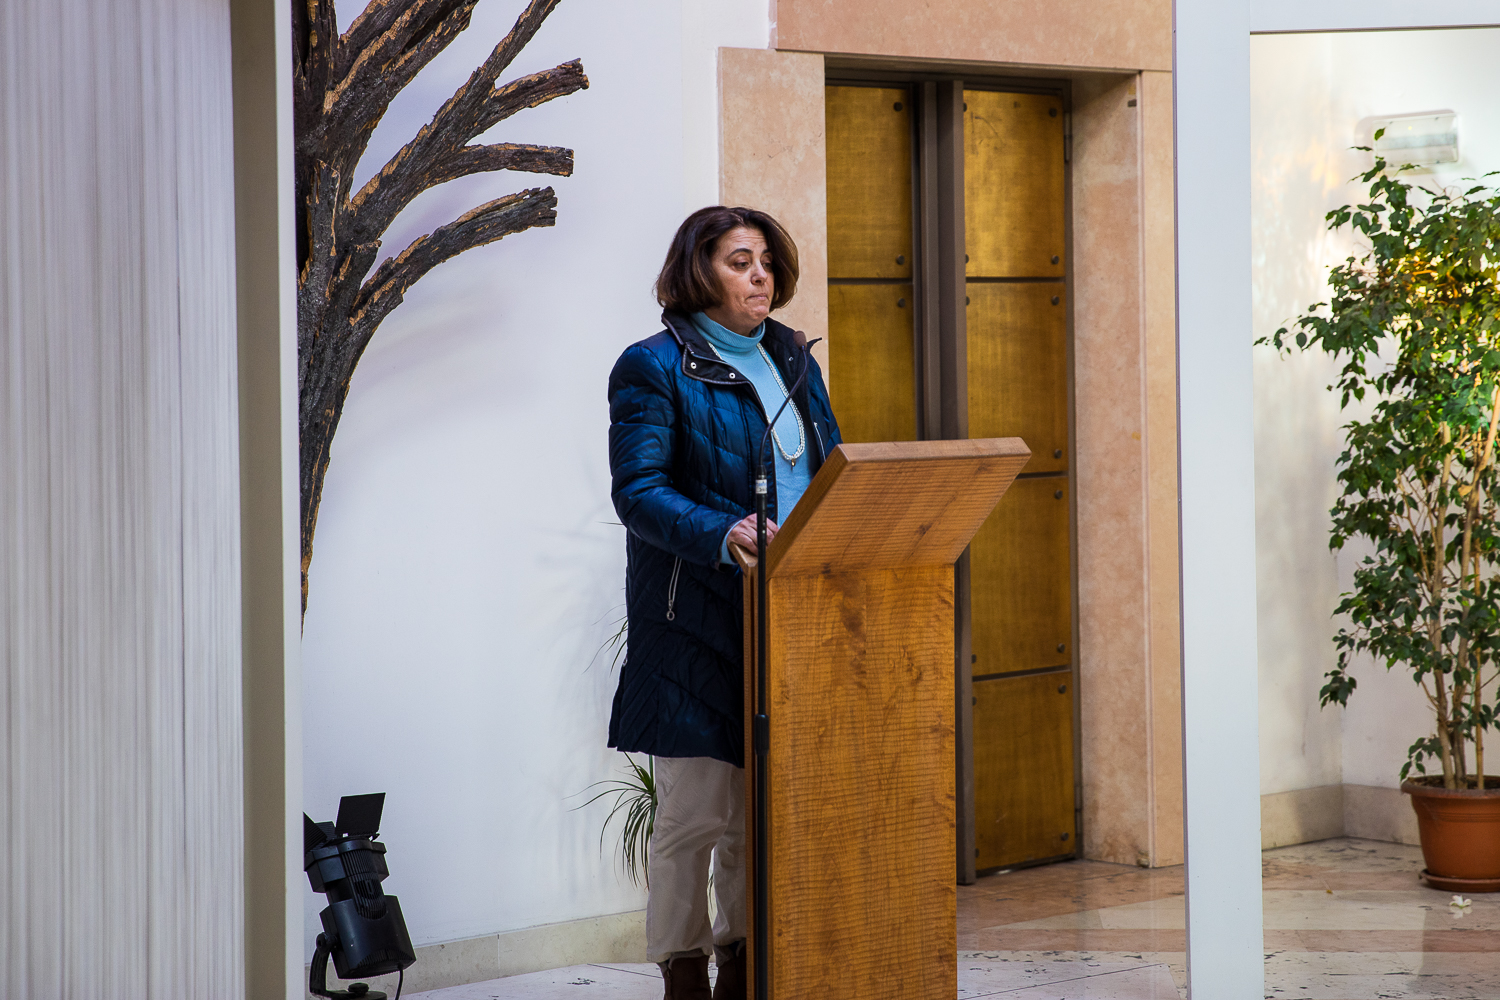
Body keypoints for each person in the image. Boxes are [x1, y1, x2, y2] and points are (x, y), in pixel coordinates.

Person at [606, 206, 842, 1000]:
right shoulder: (654, 366)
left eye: (766, 262)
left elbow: (829, 467)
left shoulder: (792, 357)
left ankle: (744, 960)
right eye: (741, 262)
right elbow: (639, 491)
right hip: (695, 623)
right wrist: (721, 531)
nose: (760, 276)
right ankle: (682, 968)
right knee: (695, 815)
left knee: (756, 814)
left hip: (790, 613)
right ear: (698, 270)